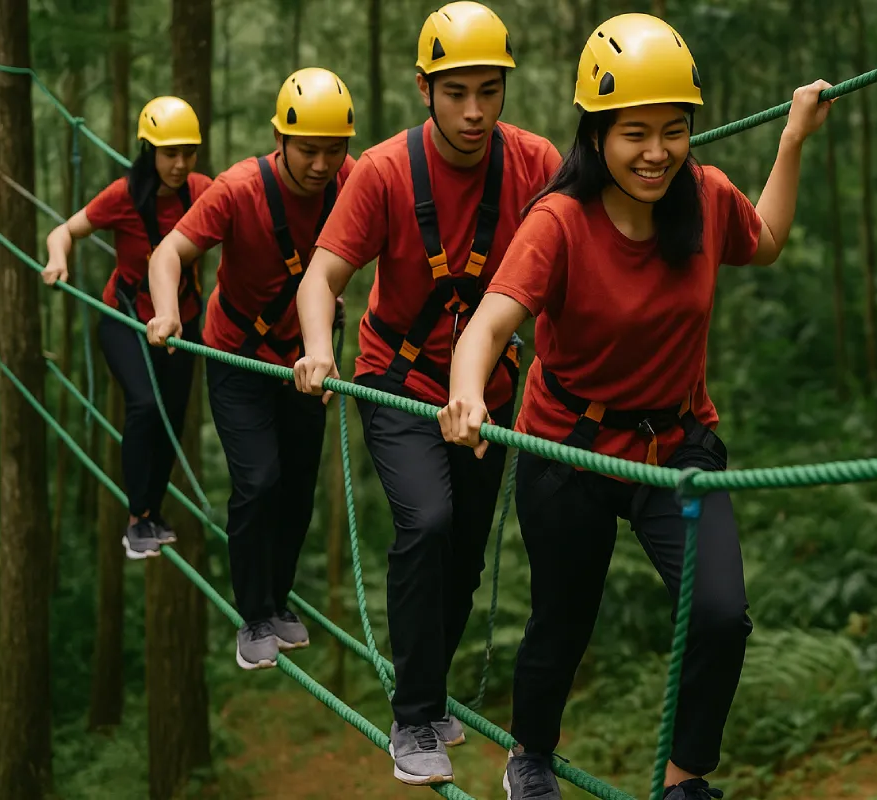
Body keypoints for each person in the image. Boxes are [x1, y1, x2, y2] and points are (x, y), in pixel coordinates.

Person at [437, 13, 834, 800]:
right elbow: (489, 323)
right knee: (563, 618)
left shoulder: (708, 198)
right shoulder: (558, 222)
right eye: (635, 133)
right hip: (568, 447)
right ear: (595, 135)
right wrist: (465, 393)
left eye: (674, 130)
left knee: (721, 616)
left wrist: (791, 142)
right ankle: (532, 756)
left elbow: (769, 242)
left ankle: (685, 781)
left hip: (675, 445)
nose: (657, 152)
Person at [293, 1, 560, 785]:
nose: (474, 111)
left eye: (489, 90)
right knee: (429, 522)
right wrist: (316, 350)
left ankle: (429, 691)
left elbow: (598, 205)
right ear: (424, 89)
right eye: (456, 93)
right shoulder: (381, 172)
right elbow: (323, 277)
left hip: (493, 389)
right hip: (398, 379)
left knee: (467, 558)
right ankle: (413, 721)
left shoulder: (537, 163)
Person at [146, 67, 357, 672]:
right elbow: (169, 254)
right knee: (259, 481)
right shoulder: (239, 188)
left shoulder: (349, 182)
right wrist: (166, 312)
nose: (322, 164)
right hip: (236, 354)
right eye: (309, 150)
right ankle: (254, 615)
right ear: (280, 139)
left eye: (334, 149)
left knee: (296, 494)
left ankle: (280, 598)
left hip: (304, 361)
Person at [43, 96, 211, 561]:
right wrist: (59, 261)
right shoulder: (122, 195)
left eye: (188, 152)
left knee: (173, 417)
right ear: (148, 150)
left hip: (182, 323)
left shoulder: (201, 191)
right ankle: (137, 519)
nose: (179, 164)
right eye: (169, 153)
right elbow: (64, 231)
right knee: (144, 405)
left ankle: (154, 512)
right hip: (127, 320)